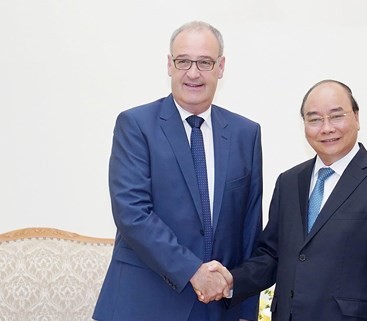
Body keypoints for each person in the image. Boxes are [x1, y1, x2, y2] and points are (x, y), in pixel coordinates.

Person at [93, 21, 263, 321]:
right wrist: (193, 271)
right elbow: (132, 213)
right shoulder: (136, 125)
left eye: (204, 62)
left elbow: (249, 228)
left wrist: (246, 310)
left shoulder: (245, 134)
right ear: (169, 65)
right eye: (183, 61)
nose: (193, 73)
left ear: (221, 67)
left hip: (217, 309)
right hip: (143, 304)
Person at [207, 79, 367, 321]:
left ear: (357, 118)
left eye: (336, 116)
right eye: (314, 119)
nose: (326, 128)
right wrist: (232, 280)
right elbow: (272, 255)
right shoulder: (289, 181)